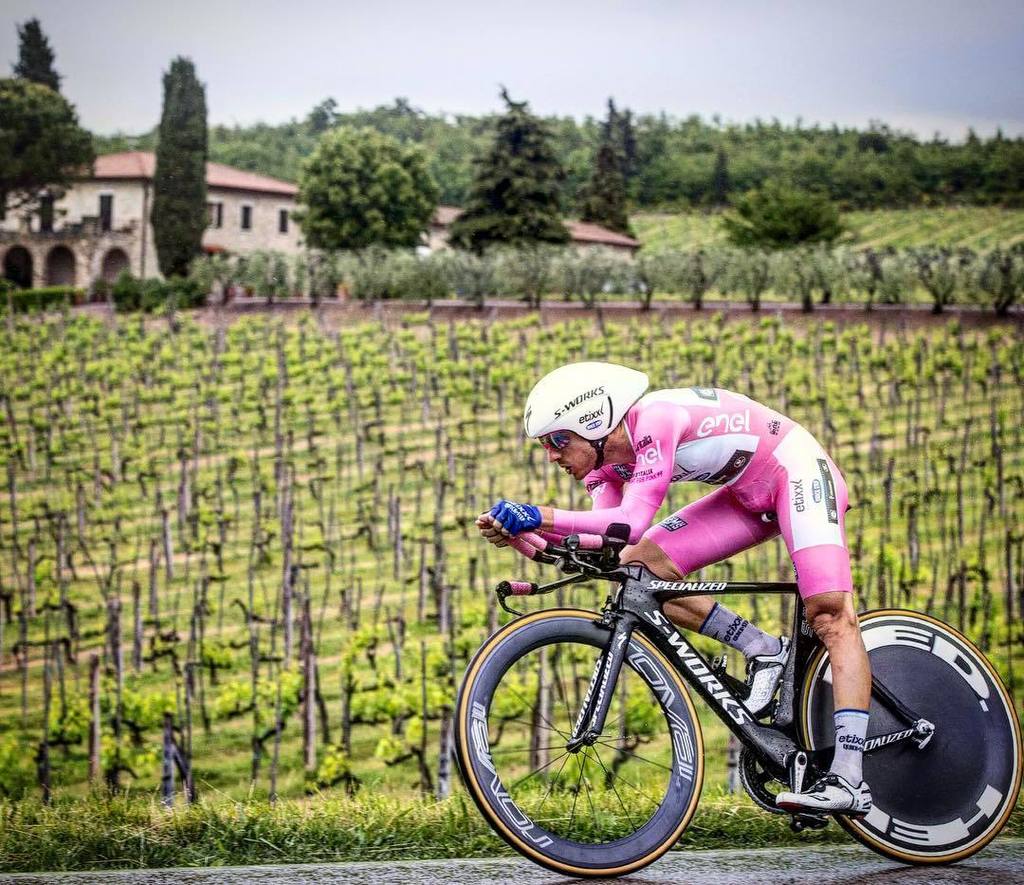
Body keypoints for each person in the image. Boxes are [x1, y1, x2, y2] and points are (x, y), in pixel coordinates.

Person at [476, 361, 872, 815]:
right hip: (743, 495)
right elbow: (605, 542)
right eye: (545, 444)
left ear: (595, 423)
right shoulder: (602, 468)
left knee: (828, 614)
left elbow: (629, 522)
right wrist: (523, 540)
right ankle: (764, 648)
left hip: (795, 469)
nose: (550, 454)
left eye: (557, 440)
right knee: (637, 566)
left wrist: (536, 515)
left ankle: (849, 778)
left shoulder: (655, 421)